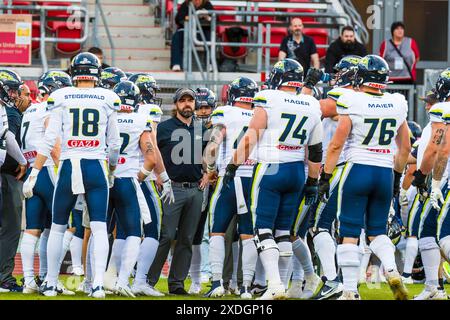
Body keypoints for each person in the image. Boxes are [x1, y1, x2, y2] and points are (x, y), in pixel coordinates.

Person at [23, 52, 121, 298]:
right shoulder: (108, 97)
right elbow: (115, 143)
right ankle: (97, 284)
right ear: (96, 73)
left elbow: (48, 140)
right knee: (99, 227)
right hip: (96, 166)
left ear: (74, 72)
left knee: (57, 227)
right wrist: (111, 169)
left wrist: (35, 172)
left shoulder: (60, 96)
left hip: (69, 164)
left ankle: (51, 283)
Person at [224, 59, 323, 300]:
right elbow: (317, 149)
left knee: (263, 229)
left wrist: (232, 165)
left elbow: (250, 138)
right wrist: (312, 181)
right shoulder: (311, 103)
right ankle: (280, 284)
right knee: (283, 231)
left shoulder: (269, 98)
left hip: (270, 168)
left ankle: (275, 284)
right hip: (296, 172)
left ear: (278, 77)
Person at [318, 55, 411, 300]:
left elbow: (337, 144)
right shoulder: (397, 102)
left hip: (356, 168)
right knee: (377, 231)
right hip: (383, 171)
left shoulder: (352, 99)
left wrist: (326, 176)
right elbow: (405, 146)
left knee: (348, 232)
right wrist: (397, 175)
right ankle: (392, 271)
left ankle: (349, 291)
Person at [147, 88, 208, 295]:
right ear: (176, 104)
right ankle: (148, 280)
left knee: (186, 239)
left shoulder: (201, 128)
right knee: (165, 235)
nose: (187, 104)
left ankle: (177, 284)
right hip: (171, 188)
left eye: (190, 100)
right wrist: (156, 174)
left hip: (195, 189)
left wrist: (209, 173)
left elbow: (210, 155)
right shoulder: (164, 128)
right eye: (183, 100)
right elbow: (150, 149)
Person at [202, 77, 259, 299]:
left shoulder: (225, 112)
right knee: (247, 233)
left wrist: (211, 169)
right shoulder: (260, 114)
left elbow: (212, 146)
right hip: (252, 180)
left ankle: (217, 283)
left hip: (229, 176)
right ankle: (245, 287)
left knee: (216, 230)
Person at [20, 71, 71, 294]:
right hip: (49, 170)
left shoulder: (30, 110)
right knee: (63, 226)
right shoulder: (49, 109)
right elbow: (54, 144)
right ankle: (50, 278)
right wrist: (65, 171)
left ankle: (30, 280)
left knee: (33, 229)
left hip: (32, 172)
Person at [106, 80, 157, 297]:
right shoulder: (140, 119)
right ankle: (122, 281)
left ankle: (93, 283)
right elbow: (152, 158)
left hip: (104, 179)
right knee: (134, 232)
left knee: (99, 230)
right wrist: (139, 177)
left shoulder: (109, 116)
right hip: (127, 180)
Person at [411, 69, 450, 300]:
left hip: (443, 180)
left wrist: (427, 179)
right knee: (425, 229)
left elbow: (439, 150)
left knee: (442, 234)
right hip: (442, 179)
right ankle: (433, 287)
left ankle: (433, 287)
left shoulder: (442, 110)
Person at [0, 71, 29, 292]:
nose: (17, 95)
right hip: (6, 175)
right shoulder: (9, 112)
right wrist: (22, 162)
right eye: (14, 90)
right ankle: (3, 278)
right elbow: (8, 138)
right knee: (10, 227)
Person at [188, 87, 217, 294]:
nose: (203, 111)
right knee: (197, 229)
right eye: (200, 107)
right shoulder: (188, 129)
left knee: (212, 230)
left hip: (216, 181)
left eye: (207, 107)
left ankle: (210, 270)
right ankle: (199, 272)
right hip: (197, 181)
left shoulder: (219, 127)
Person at [171, 0, 214, 71]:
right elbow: (178, 19)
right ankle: (176, 63)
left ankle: (210, 64)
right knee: (176, 37)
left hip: (202, 32)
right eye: (195, 0)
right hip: (186, 31)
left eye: (199, 0)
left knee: (210, 38)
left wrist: (207, 17)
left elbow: (215, 19)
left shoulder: (207, 5)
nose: (197, 2)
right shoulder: (186, 4)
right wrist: (192, 17)